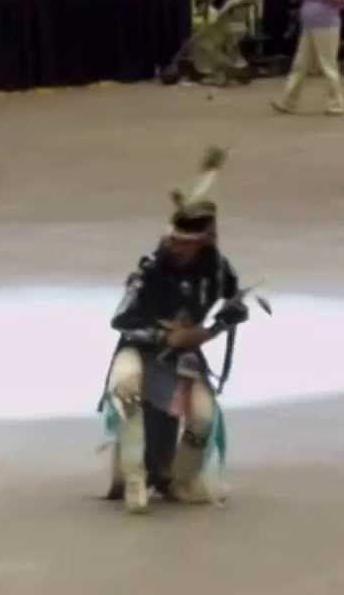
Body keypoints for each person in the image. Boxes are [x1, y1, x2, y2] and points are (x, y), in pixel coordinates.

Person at [101, 148, 249, 514]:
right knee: (126, 392)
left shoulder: (216, 269)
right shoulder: (151, 270)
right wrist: (165, 336)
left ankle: (179, 480)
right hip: (139, 350)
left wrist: (213, 329)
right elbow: (121, 320)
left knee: (202, 417)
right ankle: (135, 478)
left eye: (188, 243)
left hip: (184, 358)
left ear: (203, 242)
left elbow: (236, 306)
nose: (179, 248)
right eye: (176, 241)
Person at [273, 0, 344, 117]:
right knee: (299, 65)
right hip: (309, 26)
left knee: (328, 66)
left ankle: (336, 104)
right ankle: (287, 102)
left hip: (327, 26)